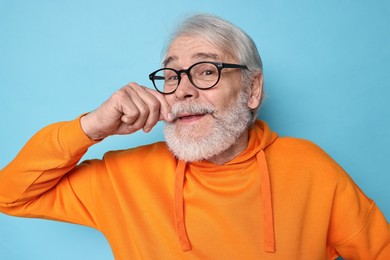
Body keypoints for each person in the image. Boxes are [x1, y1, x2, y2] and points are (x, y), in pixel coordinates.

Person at [0, 14, 389, 260]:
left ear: (253, 89)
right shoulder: (123, 177)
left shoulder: (311, 169)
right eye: (171, 76)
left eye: (206, 71)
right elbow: (9, 195)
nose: (183, 90)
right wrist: (91, 127)